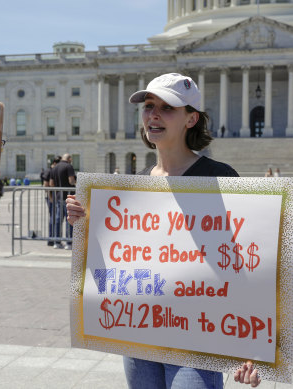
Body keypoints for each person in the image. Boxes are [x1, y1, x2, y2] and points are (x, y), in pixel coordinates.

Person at [66, 73, 260, 388]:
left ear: (191, 119)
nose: (153, 114)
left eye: (167, 107)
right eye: (148, 106)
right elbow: (125, 258)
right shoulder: (135, 182)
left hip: (199, 336)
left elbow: (247, 262)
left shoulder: (220, 177)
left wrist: (250, 344)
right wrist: (84, 225)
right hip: (140, 330)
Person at [50, 153, 76, 250]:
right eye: (71, 159)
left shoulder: (55, 168)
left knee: (58, 219)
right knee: (69, 220)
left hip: (58, 196)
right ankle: (69, 242)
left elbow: (51, 183)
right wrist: (76, 183)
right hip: (68, 196)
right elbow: (71, 181)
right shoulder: (69, 166)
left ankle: (57, 241)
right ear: (69, 159)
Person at [44, 156, 61, 246]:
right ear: (55, 163)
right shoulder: (49, 171)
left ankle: (54, 238)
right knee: (53, 218)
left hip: (55, 197)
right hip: (52, 198)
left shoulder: (53, 170)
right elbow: (46, 185)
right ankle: (51, 239)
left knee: (54, 218)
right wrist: (50, 197)